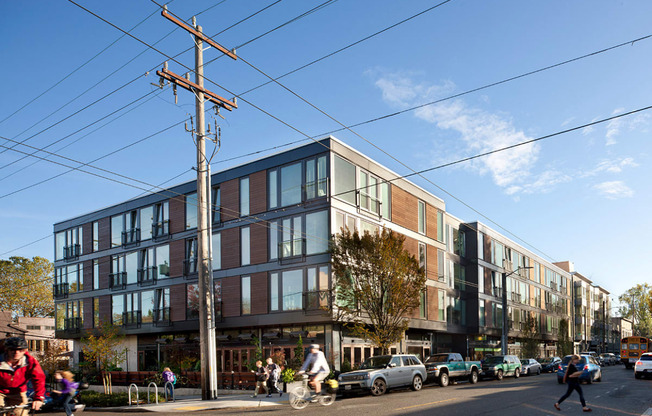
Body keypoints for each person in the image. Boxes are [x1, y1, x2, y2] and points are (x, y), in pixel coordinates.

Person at [0, 337, 46, 416]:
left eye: (20, 350)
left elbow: (39, 379)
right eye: (12, 350)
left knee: (22, 413)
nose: (16, 352)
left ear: (25, 351)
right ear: (6, 350)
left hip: (18, 391)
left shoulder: (30, 362)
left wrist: (38, 398)